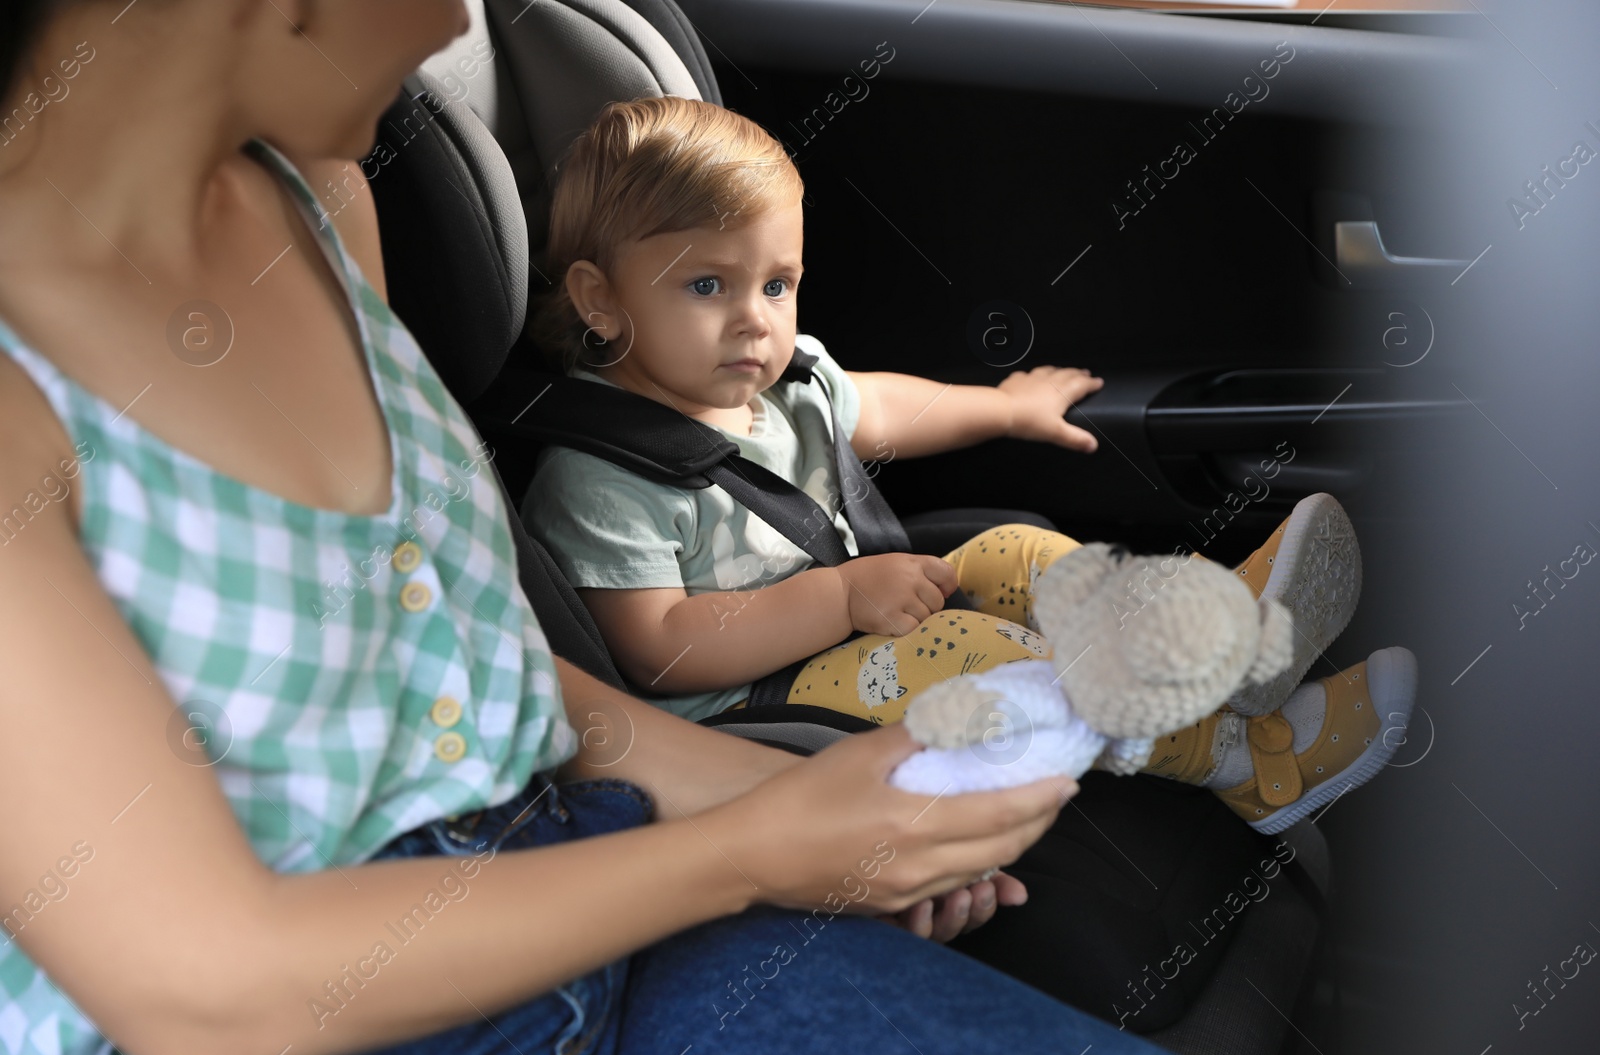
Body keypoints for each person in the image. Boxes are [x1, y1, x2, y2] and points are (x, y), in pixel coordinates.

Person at [0, 2, 1207, 1055]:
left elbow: (499, 695)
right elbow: (202, 992)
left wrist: (843, 817)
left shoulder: (322, 201)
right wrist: (752, 850)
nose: (446, 33)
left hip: (594, 910)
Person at [524, 94, 1413, 833]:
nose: (756, 318)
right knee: (980, 648)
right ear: (600, 300)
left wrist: (1008, 408)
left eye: (777, 283)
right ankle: (1254, 766)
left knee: (1018, 550)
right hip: (751, 717)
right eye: (707, 285)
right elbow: (662, 651)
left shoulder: (781, 386)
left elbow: (884, 407)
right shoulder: (599, 476)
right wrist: (836, 596)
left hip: (847, 619)